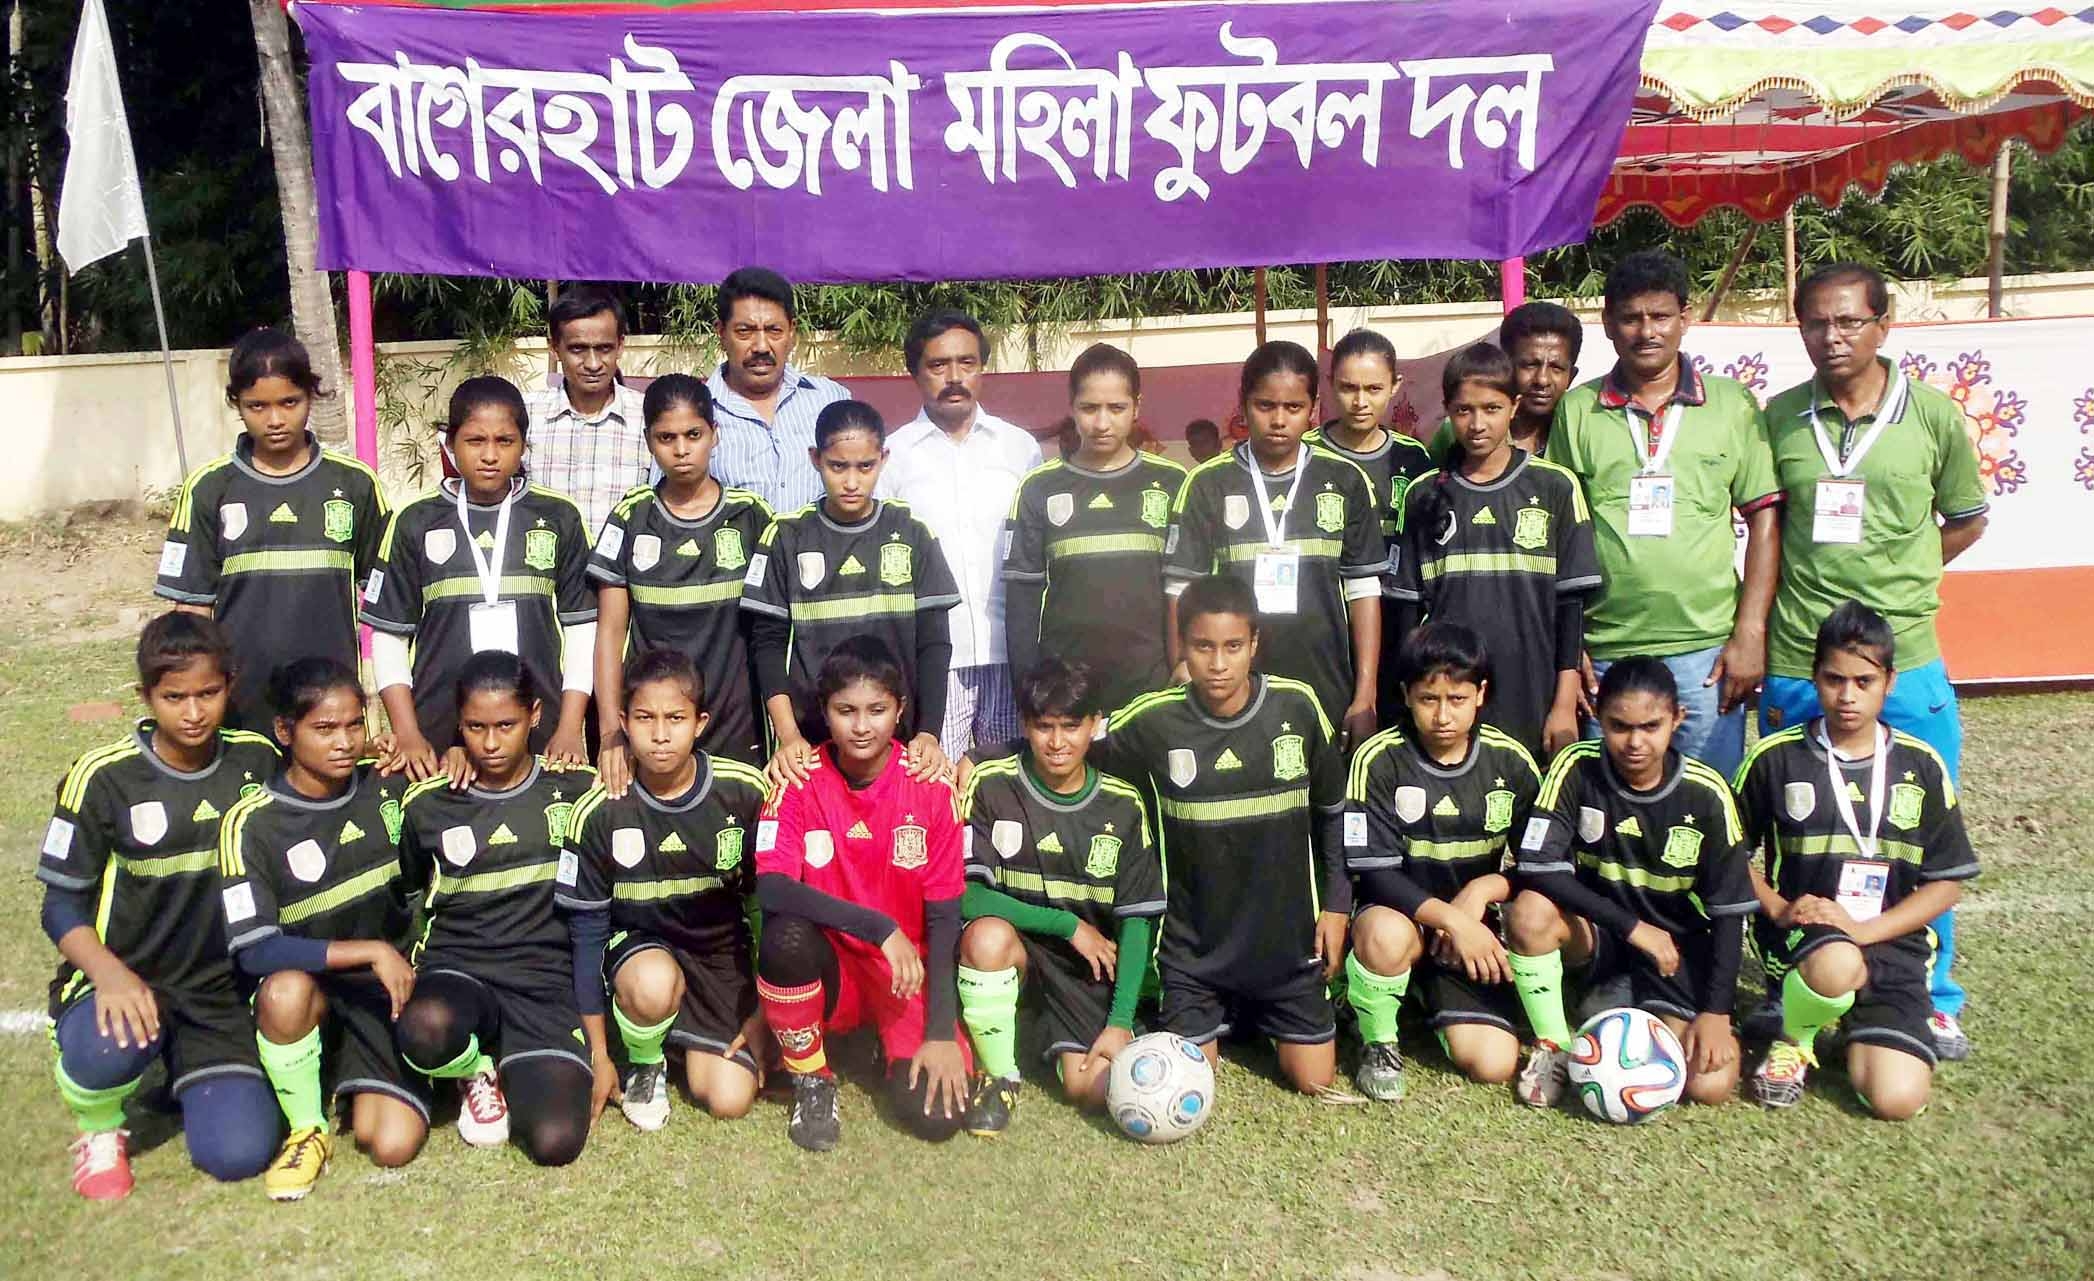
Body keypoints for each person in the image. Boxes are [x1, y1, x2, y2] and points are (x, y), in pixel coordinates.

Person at [1756, 262, 1990, 1059]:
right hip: (1796, 657)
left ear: (1884, 324)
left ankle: (1935, 996)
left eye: (1850, 321)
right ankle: (1802, 976)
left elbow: (1963, 519)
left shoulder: (1931, 416)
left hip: (1908, 662)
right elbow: (1765, 530)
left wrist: (1908, 571)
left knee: (1920, 836)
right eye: (1817, 322)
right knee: (1798, 832)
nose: (1833, 336)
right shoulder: (1780, 418)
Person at [37, 613, 282, 1200]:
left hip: (216, 995)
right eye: (174, 697)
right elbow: (59, 906)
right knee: (110, 1047)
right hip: (126, 978)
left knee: (239, 1154)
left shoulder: (257, 761)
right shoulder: (102, 777)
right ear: (145, 696)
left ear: (231, 685)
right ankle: (99, 1129)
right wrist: (109, 976)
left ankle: (182, 1071)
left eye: (208, 693)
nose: (193, 712)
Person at [1098, 575, 1349, 1094]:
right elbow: (1070, 743)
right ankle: (1213, 1011)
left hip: (1286, 950)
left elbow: (1333, 812)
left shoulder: (1297, 708)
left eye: (1233, 647)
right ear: (1182, 646)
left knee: (1314, 1081)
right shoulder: (1154, 720)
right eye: (1202, 647)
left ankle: (1261, 1013)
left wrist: (1338, 904)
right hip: (1195, 955)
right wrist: (978, 756)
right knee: (1195, 1078)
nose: (1217, 664)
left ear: (1255, 644)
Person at [1734, 602, 1978, 1118]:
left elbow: (1947, 885)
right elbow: (1728, 854)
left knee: (1897, 1100)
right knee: (1837, 960)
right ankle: (1794, 1040)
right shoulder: (1775, 758)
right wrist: (1778, 908)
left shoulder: (1921, 765)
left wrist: (1867, 930)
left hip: (1891, 942)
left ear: (1889, 681)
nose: (1847, 696)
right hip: (1807, 932)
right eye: (1833, 679)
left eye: (1863, 681)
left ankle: (1854, 1028)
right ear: (1815, 678)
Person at [1548, 250, 1782, 780]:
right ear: (1608, 324)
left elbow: (1765, 521)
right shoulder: (1577, 409)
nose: (1646, 331)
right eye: (1631, 318)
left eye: (1660, 316)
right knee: (1610, 816)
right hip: (1605, 650)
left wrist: (1750, 631)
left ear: (1686, 317)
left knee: (1706, 807)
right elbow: (1559, 537)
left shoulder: (1732, 404)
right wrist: (1571, 645)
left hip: (1706, 653)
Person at [217, 658, 426, 1201]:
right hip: (309, 992)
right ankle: (307, 1127)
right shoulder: (253, 822)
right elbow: (256, 950)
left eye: (355, 725)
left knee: (393, 1144)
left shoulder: (384, 788)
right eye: (324, 729)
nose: (343, 742)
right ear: (285, 732)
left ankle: (354, 1078)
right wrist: (370, 949)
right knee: (285, 991)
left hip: (379, 996)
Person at [753, 637, 973, 1151]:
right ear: (824, 714)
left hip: (903, 974)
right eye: (845, 710)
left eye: (876, 710)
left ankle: (890, 1045)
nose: (861, 725)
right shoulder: (798, 779)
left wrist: (940, 1033)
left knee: (936, 1118)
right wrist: (878, 927)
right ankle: (812, 1078)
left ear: (899, 711)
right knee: (784, 937)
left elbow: (944, 917)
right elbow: (772, 887)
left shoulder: (930, 786)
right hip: (834, 967)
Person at [1507, 657, 1756, 1110]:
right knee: (1529, 912)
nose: (1635, 742)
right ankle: (1554, 1044)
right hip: (1601, 937)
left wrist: (1716, 1013)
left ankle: (1622, 1011)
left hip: (1675, 953)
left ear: (1677, 719)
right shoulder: (1576, 767)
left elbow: (1729, 913)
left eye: (1651, 726)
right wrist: (1631, 926)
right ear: (1599, 718)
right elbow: (1537, 865)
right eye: (1619, 726)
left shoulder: (1707, 793)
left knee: (1708, 1087)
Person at [393, 654, 611, 1165]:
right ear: (458, 723)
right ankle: (474, 1067)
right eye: (475, 727)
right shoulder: (428, 802)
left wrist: (601, 1049)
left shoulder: (575, 791)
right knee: (424, 1029)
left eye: (505, 725)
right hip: (460, 971)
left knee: (555, 1142)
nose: (490, 743)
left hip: (544, 983)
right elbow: (404, 897)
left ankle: (518, 1061)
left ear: (535, 715)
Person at [560, 648, 770, 1130]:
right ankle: (645, 1058)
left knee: (730, 1098)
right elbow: (587, 934)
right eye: (644, 718)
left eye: (675, 718)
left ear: (700, 722)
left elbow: (767, 913)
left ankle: (679, 1038)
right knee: (652, 982)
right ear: (622, 721)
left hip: (718, 956)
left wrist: (762, 1008)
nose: (659, 734)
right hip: (640, 952)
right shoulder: (599, 810)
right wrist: (596, 1051)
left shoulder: (743, 791)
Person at [955, 658, 1164, 1133]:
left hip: (1082, 972)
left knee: (1090, 1089)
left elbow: (1136, 921)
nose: (1056, 742)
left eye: (1071, 727)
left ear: (1095, 725)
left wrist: (1120, 1022)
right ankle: (999, 1075)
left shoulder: (1122, 804)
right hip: (1020, 950)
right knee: (985, 938)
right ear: (1025, 726)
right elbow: (968, 898)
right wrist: (1068, 926)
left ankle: (1066, 1039)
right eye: (1044, 726)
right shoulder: (992, 785)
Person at [1343, 622, 1542, 1101]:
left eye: (1457, 699)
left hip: (1467, 937)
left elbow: (1541, 865)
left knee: (1494, 1064)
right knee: (1383, 935)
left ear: (1481, 695)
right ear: (1406, 696)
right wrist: (1451, 918)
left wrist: (1481, 893)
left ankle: (1423, 1001)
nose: (1442, 715)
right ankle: (1378, 1038)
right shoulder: (1379, 759)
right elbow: (1374, 872)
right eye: (1429, 699)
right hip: (1405, 923)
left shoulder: (1510, 761)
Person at [362, 376, 597, 775]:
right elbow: (389, 635)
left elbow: (582, 630)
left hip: (539, 729)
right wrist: (407, 731)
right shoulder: (413, 521)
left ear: (524, 445)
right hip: (435, 730)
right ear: (450, 444)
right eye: (475, 441)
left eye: (504, 441)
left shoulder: (559, 517)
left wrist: (571, 725)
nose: (490, 455)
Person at [155, 328, 387, 733]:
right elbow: (192, 612)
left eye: (289, 402)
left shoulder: (355, 486)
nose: (275, 419)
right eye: (257, 406)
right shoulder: (209, 489)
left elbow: (391, 601)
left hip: (329, 705)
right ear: (237, 404)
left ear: (310, 396)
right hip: (240, 706)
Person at [1166, 341, 1386, 749]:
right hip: (1230, 687)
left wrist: (1365, 693)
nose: (1279, 420)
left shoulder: (1345, 480)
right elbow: (1181, 588)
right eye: (1265, 406)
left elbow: (1363, 590)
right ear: (1243, 404)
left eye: (1294, 407)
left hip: (1326, 685)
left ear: (1314, 407)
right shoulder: (1207, 484)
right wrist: (1181, 665)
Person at [1391, 344, 1600, 761]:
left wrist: (1562, 704)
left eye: (1491, 408)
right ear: (1448, 410)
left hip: (1532, 694)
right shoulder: (1424, 495)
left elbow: (1569, 609)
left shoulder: (1555, 487)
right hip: (1448, 705)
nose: (1477, 424)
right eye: (1464, 410)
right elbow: (1407, 619)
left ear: (1514, 406)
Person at [742, 399, 960, 788]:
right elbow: (768, 646)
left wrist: (929, 731)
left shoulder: (911, 531)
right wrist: (788, 735)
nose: (852, 481)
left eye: (865, 466)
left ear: (883, 458)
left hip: (899, 742)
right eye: (837, 466)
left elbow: (935, 643)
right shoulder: (787, 536)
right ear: (815, 459)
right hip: (812, 746)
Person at [591, 374, 772, 778]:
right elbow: (610, 633)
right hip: (653, 731)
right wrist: (609, 734)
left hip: (736, 726)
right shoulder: (631, 517)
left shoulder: (750, 516)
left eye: (693, 434)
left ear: (715, 434)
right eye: (666, 438)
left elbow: (774, 633)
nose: (681, 450)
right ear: (649, 440)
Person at [880, 308, 1043, 757]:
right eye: (938, 365)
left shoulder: (1019, 449)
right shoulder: (893, 458)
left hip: (1011, 653)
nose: (954, 377)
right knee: (936, 783)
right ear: (915, 374)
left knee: (1007, 783)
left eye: (966, 363)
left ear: (982, 369)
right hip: (935, 661)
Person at [1003, 343, 1188, 713]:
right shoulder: (1039, 488)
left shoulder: (1172, 482)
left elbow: (1187, 587)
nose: (1102, 423)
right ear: (1071, 407)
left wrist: (1184, 663)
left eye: (1116, 408)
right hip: (1066, 696)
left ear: (1137, 406)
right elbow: (1021, 600)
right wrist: (1029, 689)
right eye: (1089, 408)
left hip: (1152, 688)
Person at [1307, 329, 1434, 719]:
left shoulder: (1414, 457)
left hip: (1399, 624)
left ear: (1395, 386)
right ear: (1329, 385)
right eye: (1348, 388)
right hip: (1327, 624)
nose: (1361, 402)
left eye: (1374, 388)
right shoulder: (1306, 453)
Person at [707, 267, 850, 514]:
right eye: (745, 331)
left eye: (774, 330)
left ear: (792, 331)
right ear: (721, 332)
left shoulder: (831, 401)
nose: (761, 346)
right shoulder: (694, 414)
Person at [524, 283, 651, 536]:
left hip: (621, 573)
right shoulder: (526, 416)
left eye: (604, 348)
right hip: (547, 571)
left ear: (620, 345)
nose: (593, 364)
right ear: (554, 348)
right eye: (577, 349)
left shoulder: (649, 418)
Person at [1428, 301, 1585, 459]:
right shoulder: (1459, 430)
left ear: (1571, 376)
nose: (1542, 380)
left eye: (1556, 367)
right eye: (1530, 365)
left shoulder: (1580, 432)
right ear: (1505, 366)